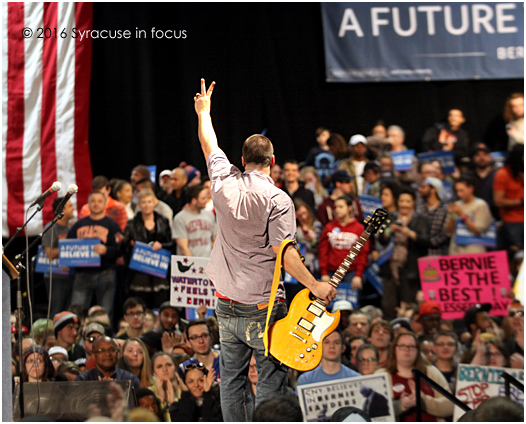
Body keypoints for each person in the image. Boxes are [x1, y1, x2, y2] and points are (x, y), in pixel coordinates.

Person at [194, 78, 336, 421]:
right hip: (263, 306)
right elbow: (284, 253)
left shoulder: (222, 183)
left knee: (231, 381)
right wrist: (315, 285)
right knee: (271, 385)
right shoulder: (278, 200)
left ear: (242, 159)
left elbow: (209, 145)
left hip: (226, 305)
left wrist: (204, 112)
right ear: (272, 161)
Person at [67, 191, 123, 318]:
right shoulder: (78, 225)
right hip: (82, 274)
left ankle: (104, 337)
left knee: (105, 311)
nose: (96, 204)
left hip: (105, 273)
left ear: (104, 204)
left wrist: (107, 250)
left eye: (99, 201)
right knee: (76, 311)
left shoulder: (112, 225)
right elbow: (68, 247)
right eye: (93, 201)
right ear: (88, 204)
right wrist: (66, 262)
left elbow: (120, 250)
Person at [381, 188, 430, 320]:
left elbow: (428, 242)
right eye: (402, 201)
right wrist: (388, 231)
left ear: (413, 203)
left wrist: (411, 234)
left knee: (408, 305)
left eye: (408, 201)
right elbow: (380, 238)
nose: (404, 204)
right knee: (388, 304)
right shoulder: (390, 217)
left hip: (411, 269)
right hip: (390, 266)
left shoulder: (421, 219)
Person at [385, 332, 453, 421]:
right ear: (394, 349)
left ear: (417, 351)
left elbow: (450, 406)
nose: (407, 349)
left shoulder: (431, 372)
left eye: (411, 346)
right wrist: (401, 405)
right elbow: (376, 411)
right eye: (402, 346)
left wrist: (424, 401)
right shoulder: (384, 375)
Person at [123, 190, 174, 308]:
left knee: (160, 304)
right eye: (144, 202)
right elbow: (124, 247)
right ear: (139, 205)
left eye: (149, 202)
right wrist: (127, 244)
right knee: (141, 306)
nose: (147, 205)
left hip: (160, 274)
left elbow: (172, 243)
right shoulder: (132, 224)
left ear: (153, 203)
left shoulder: (163, 221)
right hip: (139, 274)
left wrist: (162, 245)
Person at [318, 196, 369, 294]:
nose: (337, 210)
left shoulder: (359, 228)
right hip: (331, 271)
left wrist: (358, 275)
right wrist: (324, 273)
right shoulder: (329, 227)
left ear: (349, 208)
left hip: (352, 272)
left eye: (341, 207)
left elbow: (363, 253)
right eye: (336, 207)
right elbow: (323, 251)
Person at [41, 196, 75, 318]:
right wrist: (70, 249)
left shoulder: (71, 227)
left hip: (70, 275)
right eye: (70, 206)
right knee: (56, 310)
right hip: (55, 277)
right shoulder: (51, 228)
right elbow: (49, 253)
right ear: (62, 210)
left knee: (68, 311)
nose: (73, 209)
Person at [296, 330, 361, 389]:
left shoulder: (356, 379)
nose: (331, 346)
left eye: (336, 342)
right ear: (320, 346)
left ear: (343, 348)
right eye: (327, 342)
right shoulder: (306, 380)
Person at [446, 176, 493, 255]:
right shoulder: (457, 205)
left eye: (462, 190)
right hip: (456, 251)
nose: (459, 194)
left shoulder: (480, 205)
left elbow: (477, 230)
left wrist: (462, 214)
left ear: (471, 188)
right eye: (457, 191)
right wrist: (451, 215)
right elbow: (449, 231)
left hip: (474, 251)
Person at [76, 336, 141, 392]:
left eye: (111, 350)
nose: (107, 354)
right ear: (93, 356)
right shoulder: (83, 380)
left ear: (117, 353)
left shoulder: (130, 379)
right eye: (102, 350)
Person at [493, 143, 524, 252]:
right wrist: (521, 202)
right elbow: (498, 201)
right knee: (518, 254)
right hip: (513, 221)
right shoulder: (503, 174)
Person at [172, 184, 216, 257]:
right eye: (203, 198)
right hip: (190, 263)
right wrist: (194, 264)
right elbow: (183, 248)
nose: (206, 200)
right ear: (194, 201)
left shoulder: (210, 215)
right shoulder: (180, 218)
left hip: (208, 263)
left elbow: (214, 240)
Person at [416, 177, 449, 256]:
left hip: (439, 254)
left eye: (423, 187)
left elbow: (446, 233)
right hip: (420, 254)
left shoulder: (445, 209)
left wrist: (429, 242)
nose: (420, 189)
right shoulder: (419, 209)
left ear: (433, 189)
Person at [469, 143, 499, 220]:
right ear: (473, 158)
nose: (481, 158)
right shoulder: (468, 176)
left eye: (485, 155)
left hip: (495, 216)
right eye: (478, 155)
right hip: (472, 217)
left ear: (490, 157)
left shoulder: (498, 175)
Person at [294, 198, 323, 278]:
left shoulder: (316, 226)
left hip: (312, 264)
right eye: (300, 215)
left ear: (309, 212)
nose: (303, 217)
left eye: (304, 213)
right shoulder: (294, 229)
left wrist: (312, 240)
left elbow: (319, 246)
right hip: (298, 264)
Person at [150, 351, 181, 421]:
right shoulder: (149, 392)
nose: (165, 369)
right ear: (153, 372)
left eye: (169, 365)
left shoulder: (186, 389)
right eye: (159, 366)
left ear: (175, 367)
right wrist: (160, 398)